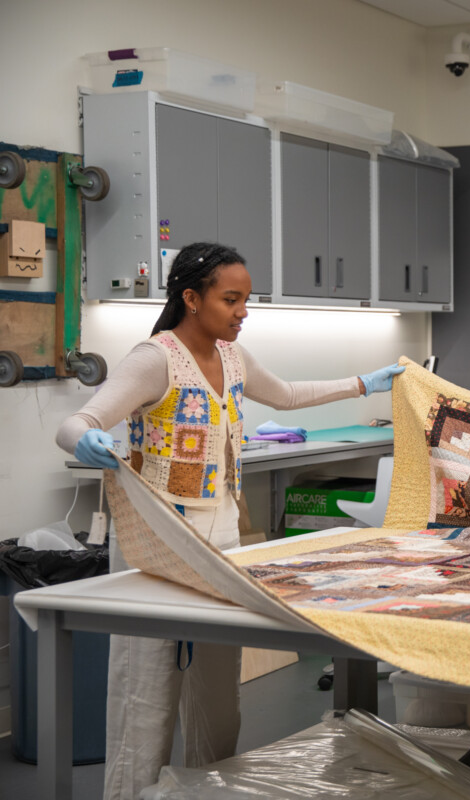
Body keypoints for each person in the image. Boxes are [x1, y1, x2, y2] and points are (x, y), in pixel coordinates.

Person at [56, 242, 407, 800]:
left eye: (247, 299)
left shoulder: (233, 357)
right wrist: (88, 439)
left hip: (220, 533)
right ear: (191, 298)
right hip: (158, 538)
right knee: (146, 686)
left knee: (218, 684)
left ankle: (210, 788)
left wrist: (366, 383)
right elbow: (76, 422)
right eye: (232, 299)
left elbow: (288, 396)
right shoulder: (156, 358)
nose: (243, 311)